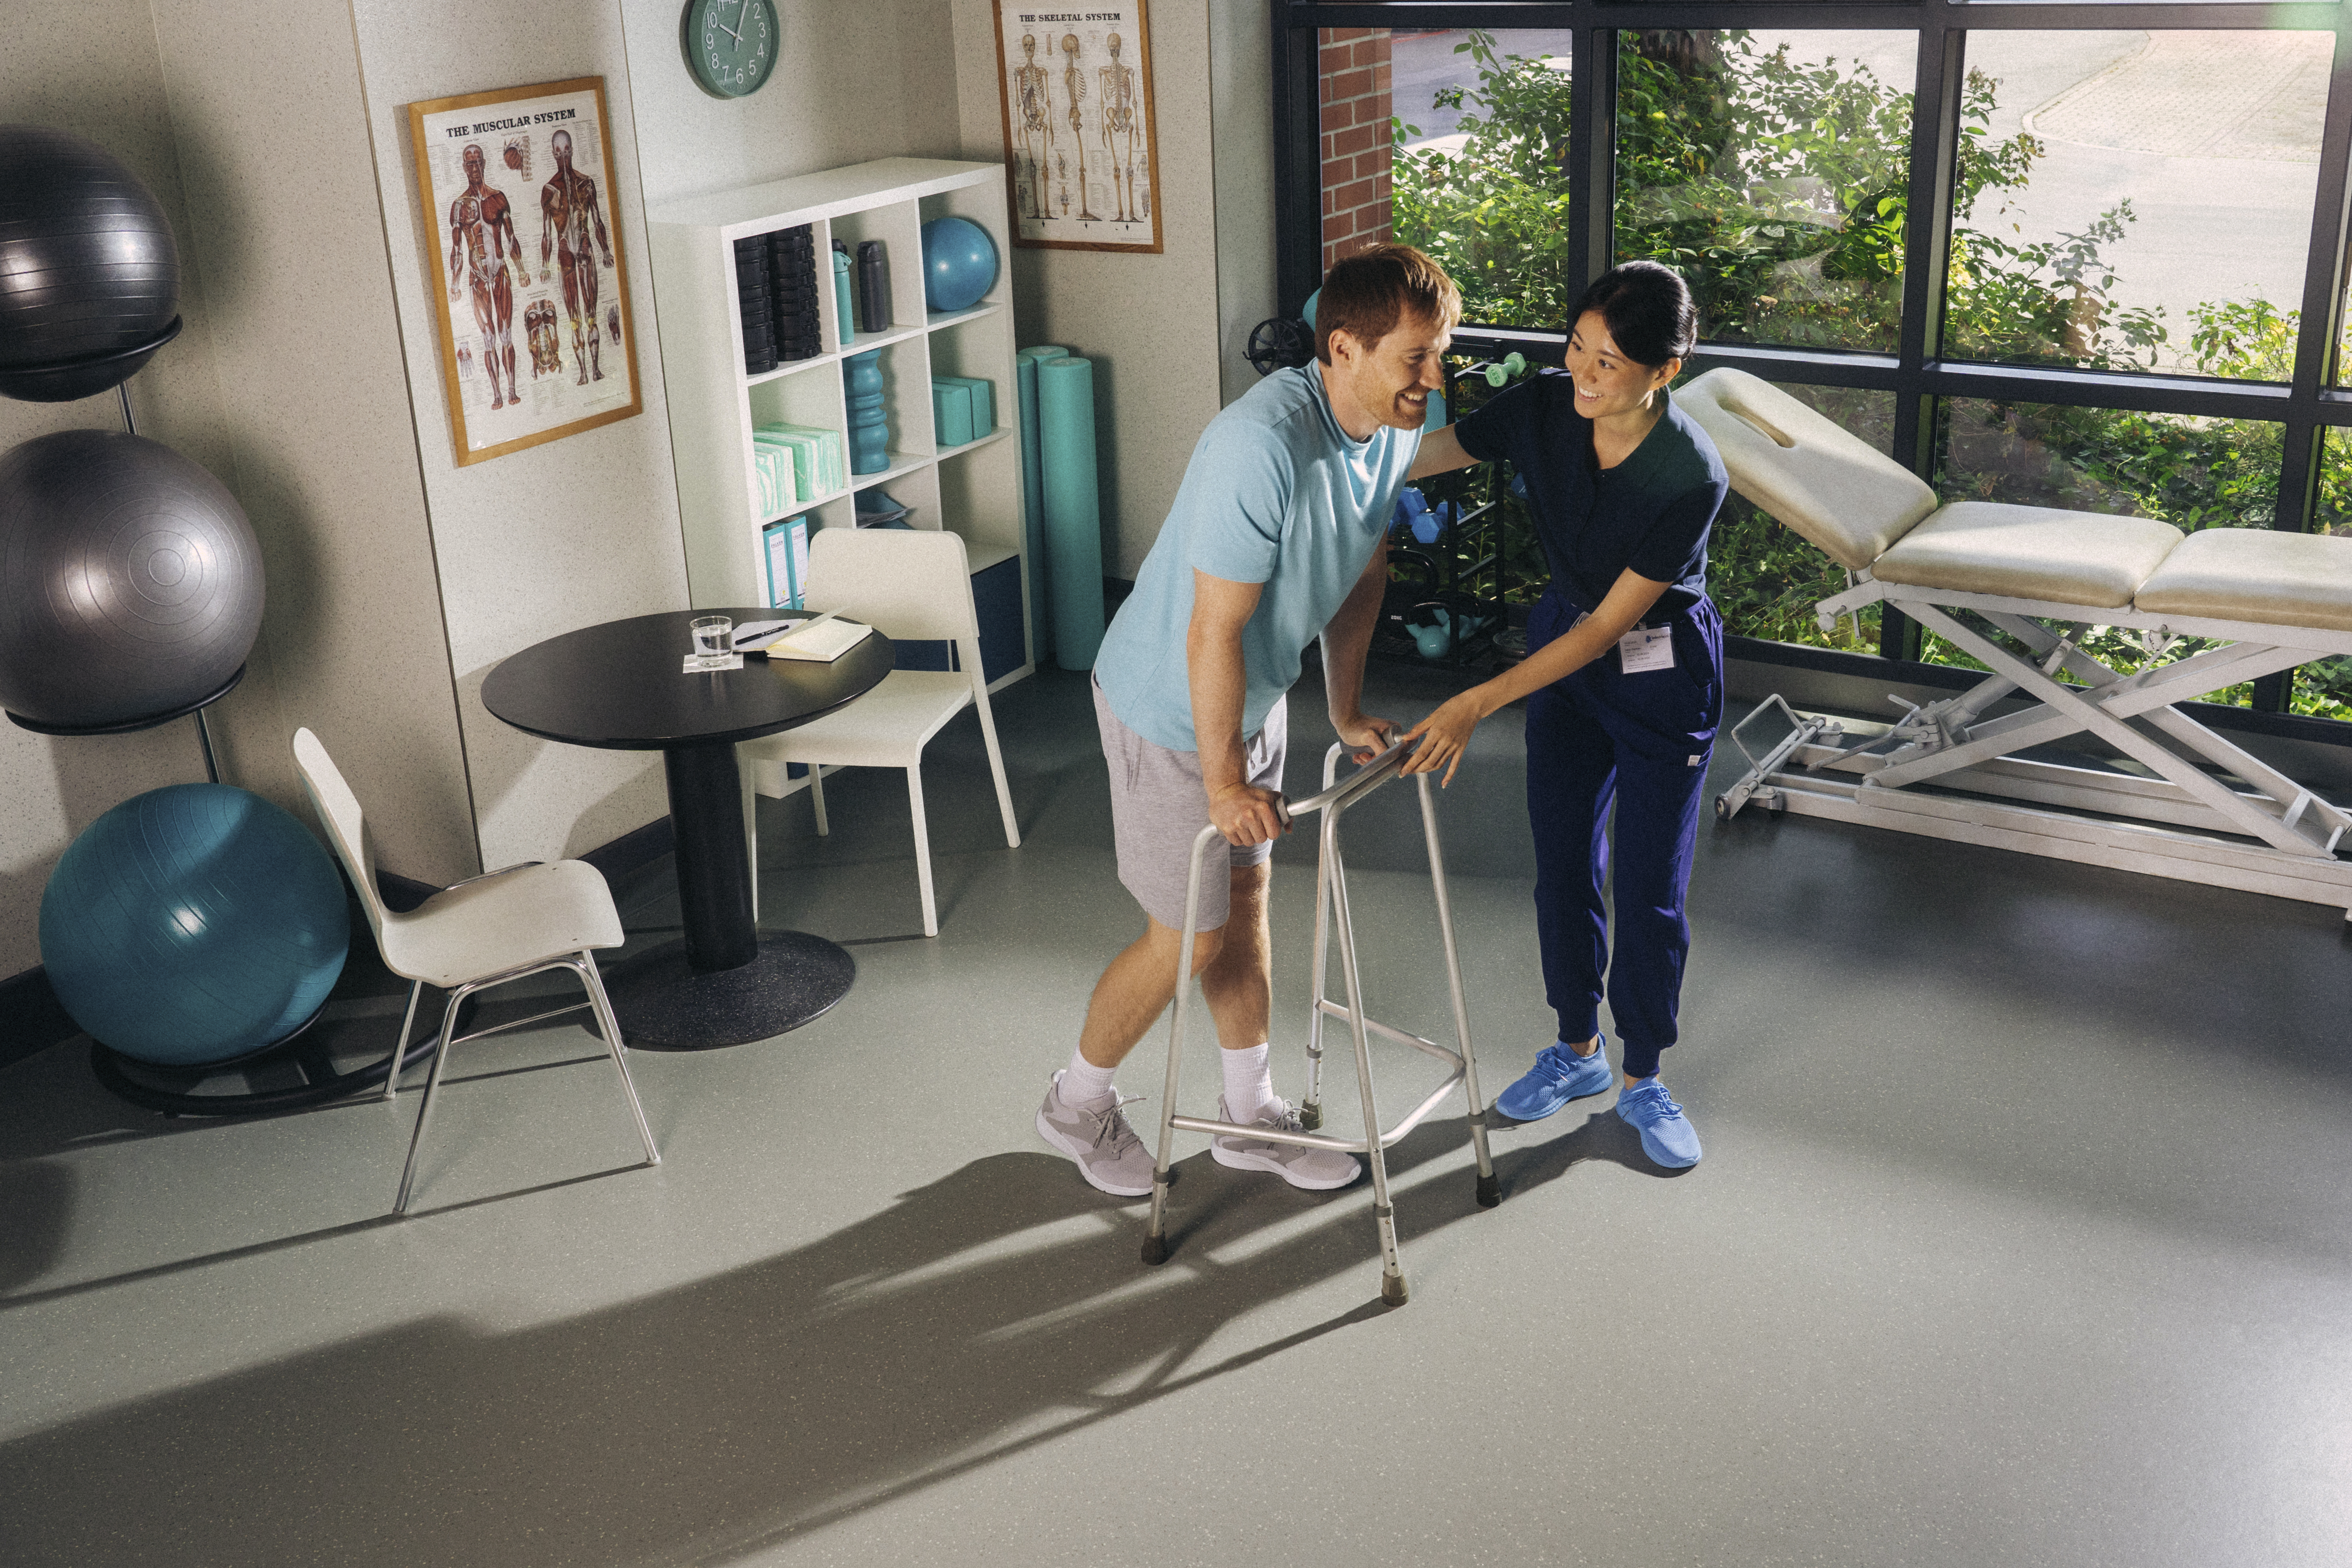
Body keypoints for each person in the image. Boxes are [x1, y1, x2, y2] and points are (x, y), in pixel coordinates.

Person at [1036, 244, 1461, 1198]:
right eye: (1417, 357)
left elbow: (1364, 566)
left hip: (1250, 695)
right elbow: (1210, 628)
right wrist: (1223, 780)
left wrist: (1342, 709)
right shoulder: (1258, 445)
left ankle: (1246, 1115)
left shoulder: (1392, 420)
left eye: (1441, 353)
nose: (1434, 378)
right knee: (1186, 937)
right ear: (1343, 348)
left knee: (1249, 908)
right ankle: (1074, 1103)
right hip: (1169, 703)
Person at [1401, 260, 1727, 1170]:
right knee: (1562, 865)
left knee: (1652, 888)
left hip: (1657, 669)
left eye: (1611, 363)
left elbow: (1608, 630)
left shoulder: (1688, 474)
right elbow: (1438, 451)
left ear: (1665, 370)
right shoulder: (1546, 406)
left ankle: (1645, 1075)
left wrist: (1475, 700)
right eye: (1578, 348)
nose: (1585, 374)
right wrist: (1341, 464)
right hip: (1567, 646)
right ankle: (1577, 1050)